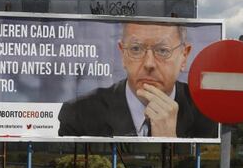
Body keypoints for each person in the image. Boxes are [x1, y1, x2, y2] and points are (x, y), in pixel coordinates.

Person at [58, 22, 216, 137]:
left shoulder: (208, 113)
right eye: (136, 49)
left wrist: (170, 142)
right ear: (122, 54)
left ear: (184, 56)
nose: (149, 64)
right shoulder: (79, 113)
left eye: (162, 50)